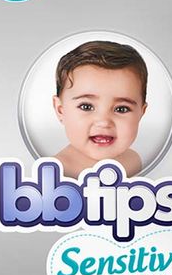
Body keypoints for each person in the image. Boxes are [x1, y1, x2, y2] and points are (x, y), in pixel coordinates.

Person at [53, 41, 148, 178]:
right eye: (86, 107)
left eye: (121, 109)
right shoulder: (54, 172)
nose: (103, 122)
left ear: (141, 113)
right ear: (60, 110)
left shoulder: (132, 160)